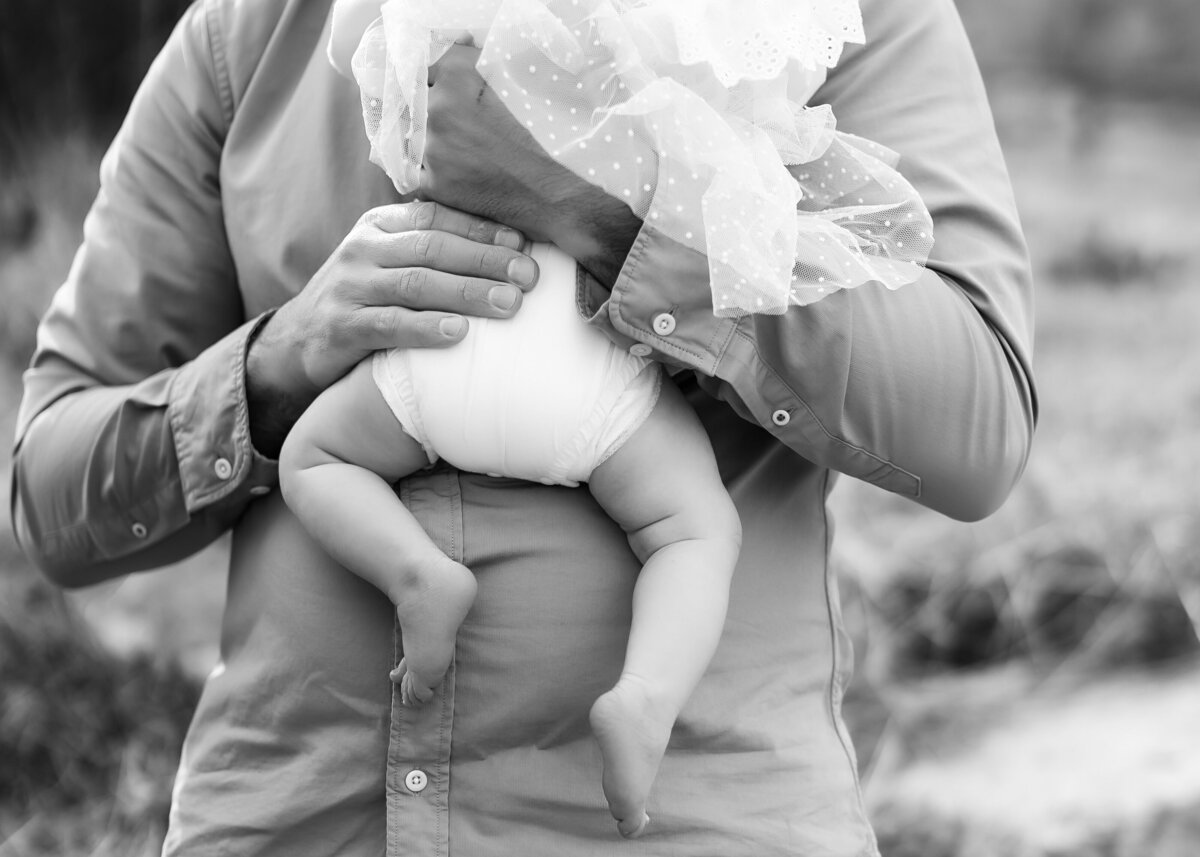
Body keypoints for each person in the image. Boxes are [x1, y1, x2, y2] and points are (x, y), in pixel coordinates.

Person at [10, 0, 1036, 854]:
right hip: (290, 822)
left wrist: (604, 205)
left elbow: (975, 423)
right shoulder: (252, 35)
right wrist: (279, 361)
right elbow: (51, 496)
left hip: (692, 826)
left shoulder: (807, 23)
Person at [277, 0, 935, 838]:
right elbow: (754, 144)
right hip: (597, 349)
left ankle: (417, 574)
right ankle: (645, 698)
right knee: (693, 534)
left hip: (445, 314)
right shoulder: (705, 24)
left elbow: (348, 49)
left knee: (315, 459)